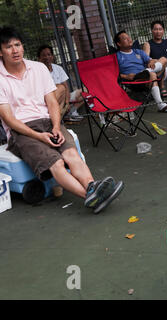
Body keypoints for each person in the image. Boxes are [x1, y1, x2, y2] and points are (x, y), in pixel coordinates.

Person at [0, 26, 124, 213]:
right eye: (8, 47)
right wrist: (38, 136)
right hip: (22, 130)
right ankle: (89, 196)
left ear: (23, 47)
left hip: (48, 122)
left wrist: (56, 126)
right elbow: (8, 119)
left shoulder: (39, 68)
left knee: (71, 155)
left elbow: (51, 102)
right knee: (56, 162)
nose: (15, 50)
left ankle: (92, 187)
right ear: (0, 52)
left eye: (17, 45)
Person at [114, 30, 167, 113]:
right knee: (152, 74)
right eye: (125, 38)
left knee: (163, 60)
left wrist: (151, 62)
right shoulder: (116, 56)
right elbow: (112, 74)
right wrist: (126, 76)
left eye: (129, 37)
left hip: (146, 76)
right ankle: (160, 105)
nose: (129, 39)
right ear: (119, 44)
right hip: (134, 80)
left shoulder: (138, 52)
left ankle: (147, 72)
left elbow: (151, 60)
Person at [37, 44, 84, 122]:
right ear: (39, 58)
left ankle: (71, 112)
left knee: (84, 91)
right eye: (43, 55)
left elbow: (66, 87)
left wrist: (67, 102)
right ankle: (58, 117)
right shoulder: (37, 72)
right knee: (59, 87)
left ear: (52, 56)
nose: (47, 57)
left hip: (64, 97)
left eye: (49, 54)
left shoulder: (58, 68)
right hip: (50, 101)